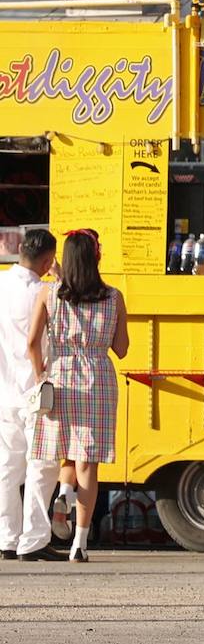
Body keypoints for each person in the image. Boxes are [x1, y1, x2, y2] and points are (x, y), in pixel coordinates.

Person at [26, 229, 129, 563]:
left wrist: (42, 372)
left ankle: (63, 494)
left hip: (60, 377)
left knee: (62, 451)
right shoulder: (113, 297)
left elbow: (31, 343)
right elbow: (122, 349)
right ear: (96, 257)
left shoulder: (48, 293)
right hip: (97, 379)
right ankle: (80, 544)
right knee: (88, 463)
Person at [0, 228, 58, 560]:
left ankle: (6, 538)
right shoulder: (46, 292)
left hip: (5, 389)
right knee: (42, 465)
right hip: (38, 391)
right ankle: (33, 540)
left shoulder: (1, 285)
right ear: (48, 260)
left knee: (7, 467)